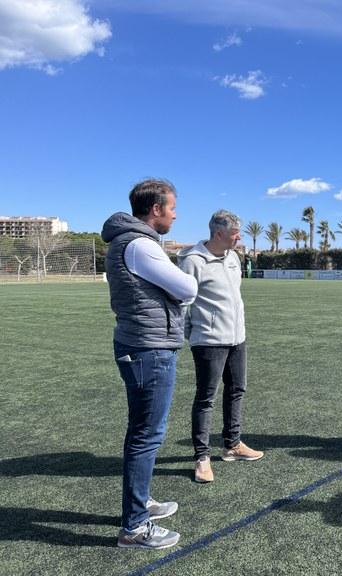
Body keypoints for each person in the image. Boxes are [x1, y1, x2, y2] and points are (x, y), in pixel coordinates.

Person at [102, 179, 198, 549]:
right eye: (172, 208)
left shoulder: (129, 242)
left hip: (141, 344)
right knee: (146, 435)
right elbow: (188, 288)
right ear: (155, 209)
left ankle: (140, 504)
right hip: (149, 348)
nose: (175, 214)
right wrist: (177, 291)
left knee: (142, 432)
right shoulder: (140, 245)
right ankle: (134, 527)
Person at [178, 210, 264, 484]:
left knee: (237, 390)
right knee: (206, 398)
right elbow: (182, 304)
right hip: (208, 342)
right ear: (218, 233)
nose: (239, 238)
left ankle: (232, 445)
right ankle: (202, 457)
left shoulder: (233, 258)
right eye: (235, 233)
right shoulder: (193, 261)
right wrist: (195, 335)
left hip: (237, 338)